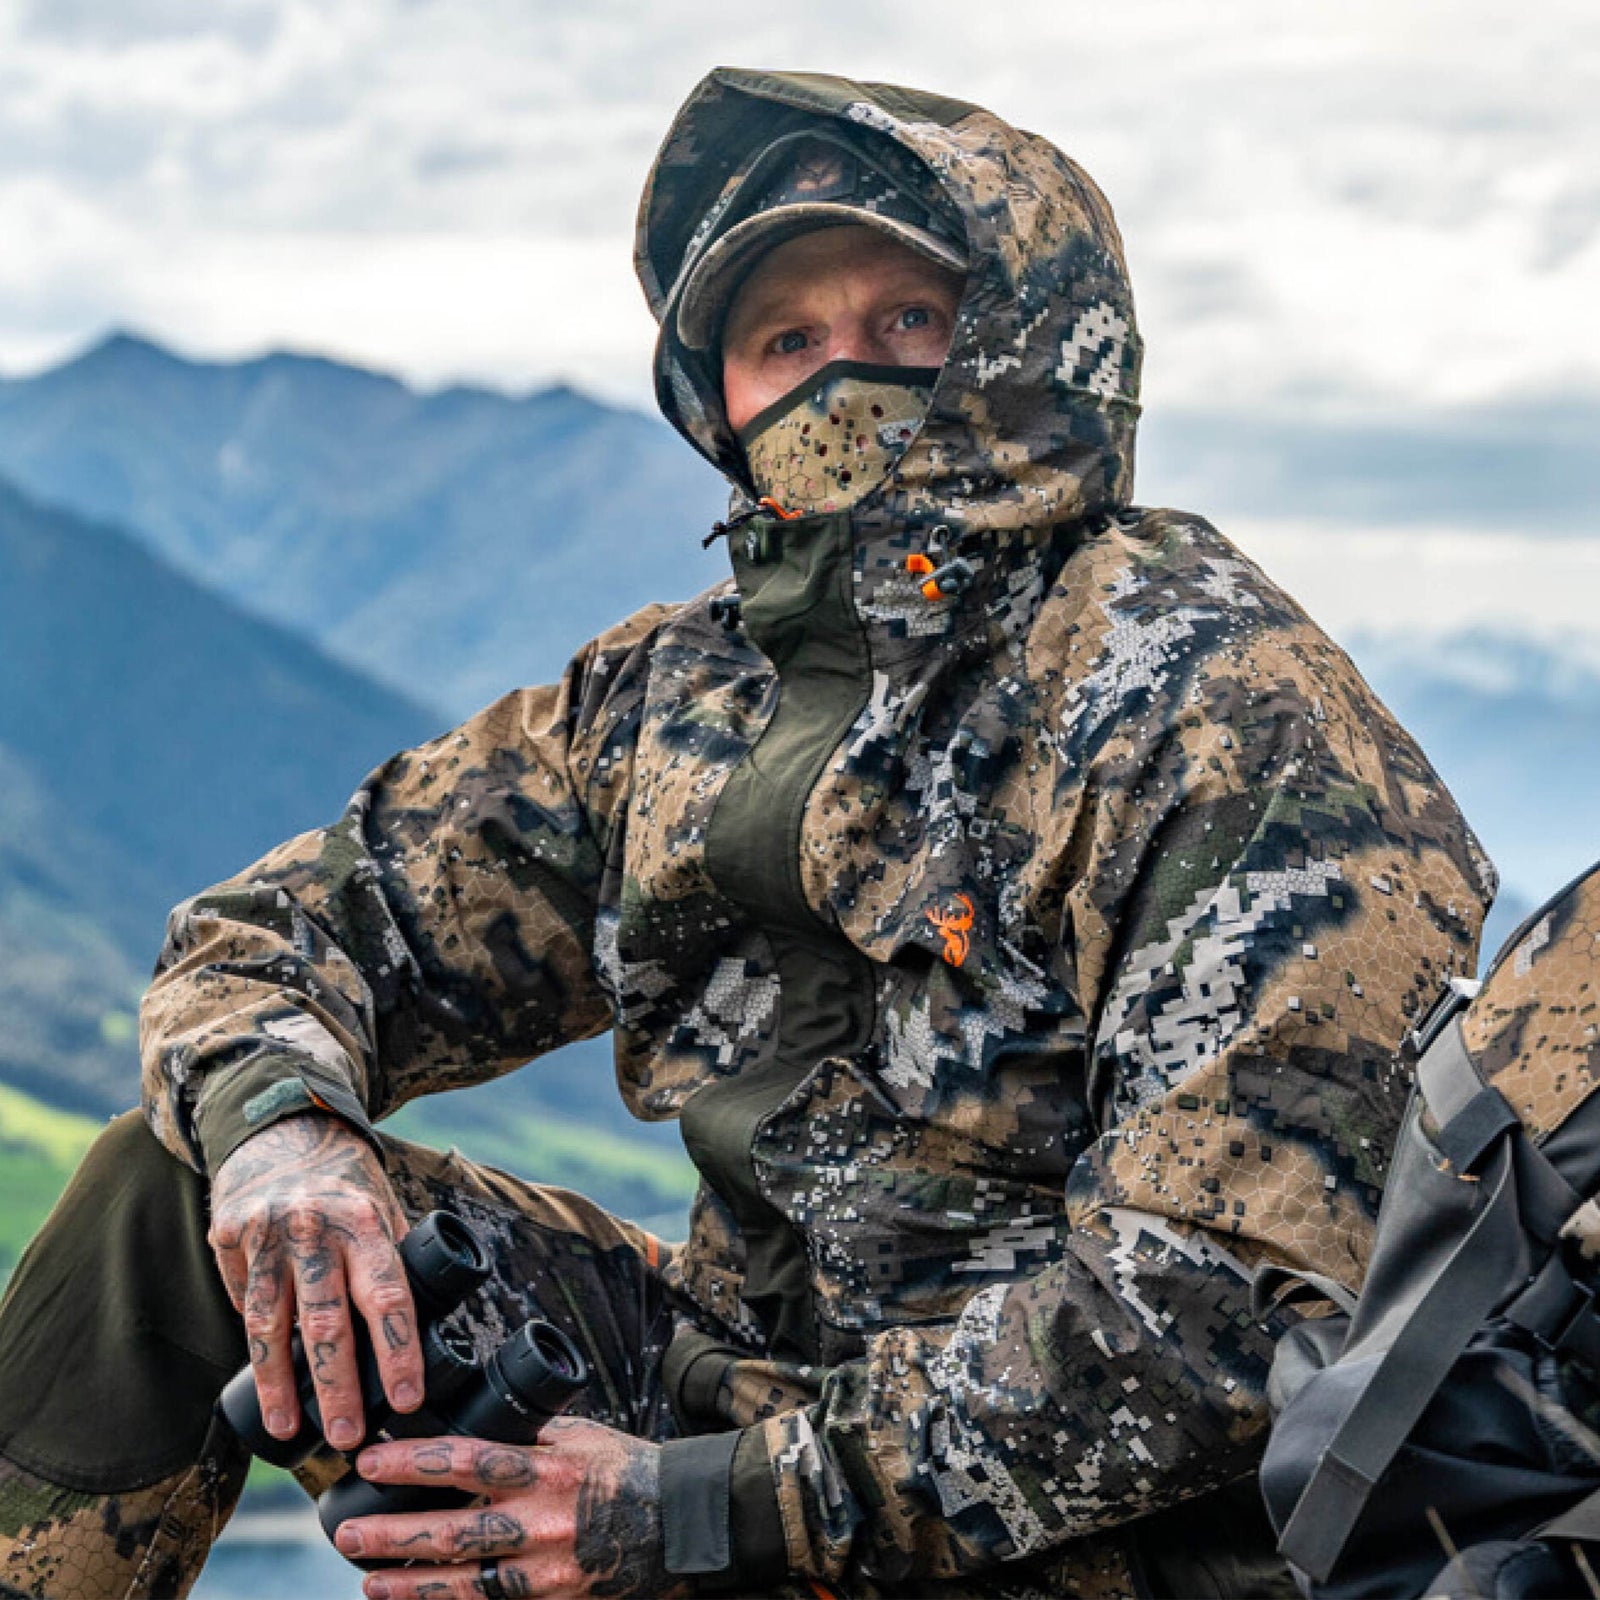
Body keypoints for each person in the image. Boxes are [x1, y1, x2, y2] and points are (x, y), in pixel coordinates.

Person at [0, 67, 1492, 1600]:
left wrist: (684, 1515)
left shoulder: (1225, 713)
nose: (841, 381)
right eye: (786, 339)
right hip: (712, 1410)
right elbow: (272, 937)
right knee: (177, 1201)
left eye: (908, 321)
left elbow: (1224, 1326)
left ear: (1034, 339)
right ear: (719, 397)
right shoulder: (671, 695)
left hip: (1084, 1531)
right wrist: (283, 1138)